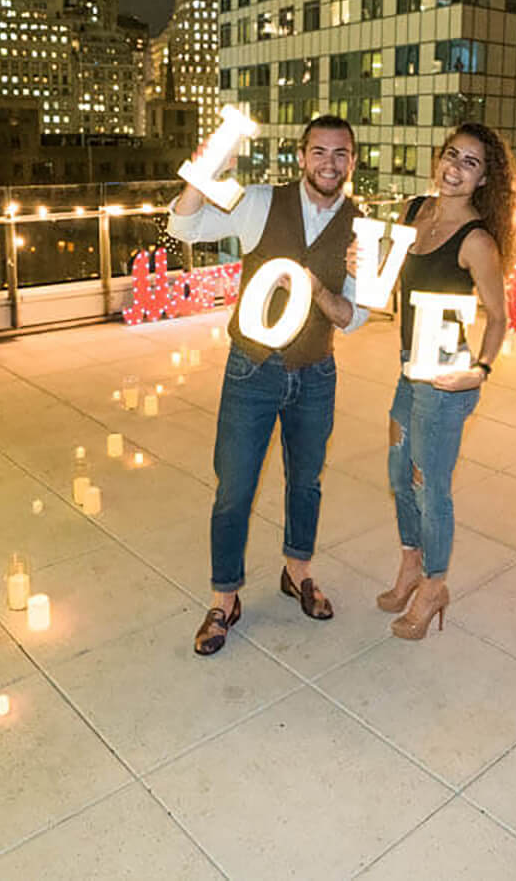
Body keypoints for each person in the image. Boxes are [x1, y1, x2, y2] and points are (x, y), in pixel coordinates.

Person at [169, 115, 365, 656]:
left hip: (315, 372)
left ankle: (296, 569)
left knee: (306, 482)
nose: (330, 163)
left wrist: (317, 288)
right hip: (251, 369)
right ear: (302, 156)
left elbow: (353, 316)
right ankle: (224, 596)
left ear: (353, 160)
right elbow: (183, 226)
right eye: (319, 152)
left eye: (341, 154)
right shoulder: (260, 202)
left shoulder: (360, 227)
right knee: (234, 488)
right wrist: (201, 174)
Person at [379, 123, 516, 640]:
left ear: (484, 179)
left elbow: (499, 317)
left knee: (430, 486)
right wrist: (363, 264)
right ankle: (411, 565)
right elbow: (391, 275)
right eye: (451, 155)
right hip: (407, 366)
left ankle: (435, 585)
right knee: (398, 473)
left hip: (445, 382)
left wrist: (478, 371)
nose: (454, 169)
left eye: (470, 163)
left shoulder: (478, 240)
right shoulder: (415, 211)